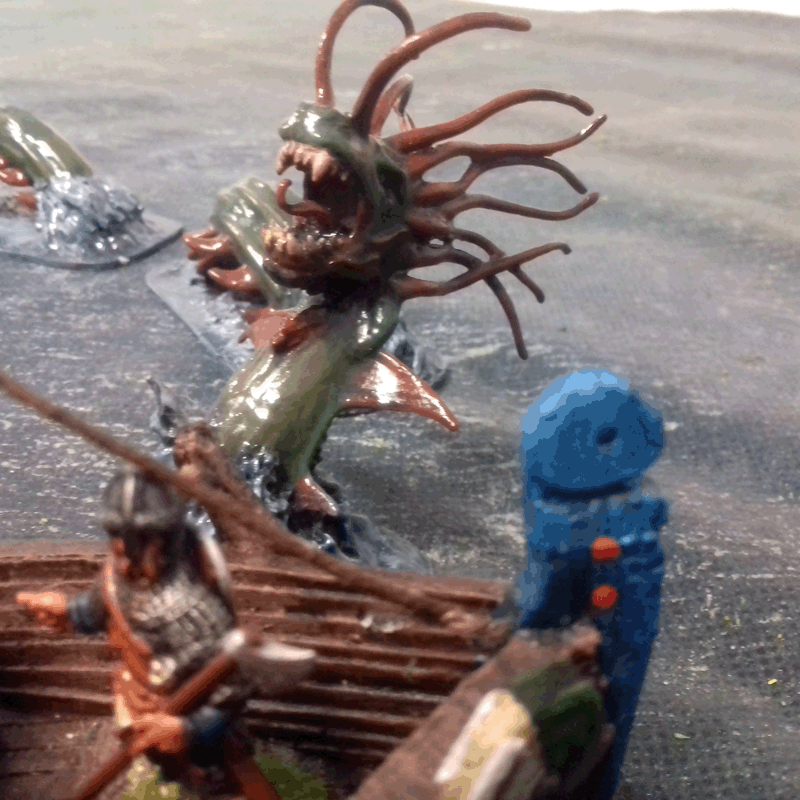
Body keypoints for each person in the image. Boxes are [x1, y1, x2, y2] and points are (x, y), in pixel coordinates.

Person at [17, 467, 282, 800]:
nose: (122, 553)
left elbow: (235, 686)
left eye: (135, 541)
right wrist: (69, 612)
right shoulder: (118, 574)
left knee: (220, 770)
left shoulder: (191, 607)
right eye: (119, 538)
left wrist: (188, 729)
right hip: (143, 695)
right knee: (168, 763)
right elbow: (101, 610)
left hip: (191, 709)